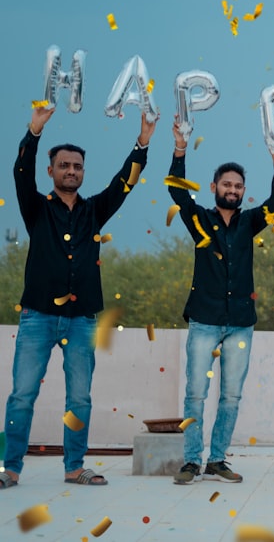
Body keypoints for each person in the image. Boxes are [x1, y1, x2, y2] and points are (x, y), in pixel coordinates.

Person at [1, 106, 156, 489]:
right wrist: (34, 131)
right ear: (51, 171)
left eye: (77, 166)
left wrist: (143, 142)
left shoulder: (93, 211)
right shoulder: (36, 208)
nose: (71, 171)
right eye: (64, 165)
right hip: (37, 316)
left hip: (82, 318)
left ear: (83, 172)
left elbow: (125, 183)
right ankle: (10, 469)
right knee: (22, 395)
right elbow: (21, 171)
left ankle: (74, 467)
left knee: (80, 398)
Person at [169, 119, 274, 486]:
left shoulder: (250, 222)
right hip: (204, 320)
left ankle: (217, 460)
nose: (232, 190)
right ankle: (191, 461)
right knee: (195, 394)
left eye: (238, 186)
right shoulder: (199, 219)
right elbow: (176, 191)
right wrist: (180, 148)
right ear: (214, 187)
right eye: (226, 185)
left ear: (242, 191)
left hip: (240, 322)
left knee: (231, 395)